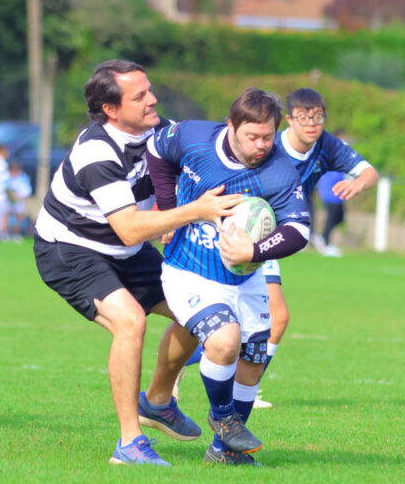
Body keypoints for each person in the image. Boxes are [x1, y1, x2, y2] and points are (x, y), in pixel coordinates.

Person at [33, 60, 243, 466]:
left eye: (150, 90)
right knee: (131, 322)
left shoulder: (159, 129)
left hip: (125, 250)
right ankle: (130, 445)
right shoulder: (97, 151)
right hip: (70, 248)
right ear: (111, 110)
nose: (153, 100)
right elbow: (129, 228)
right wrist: (193, 211)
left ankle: (159, 401)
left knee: (196, 310)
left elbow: (203, 153)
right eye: (140, 96)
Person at [146, 87, 312, 466]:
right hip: (189, 271)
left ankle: (223, 453)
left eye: (268, 137)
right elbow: (157, 151)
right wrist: (171, 212)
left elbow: (300, 230)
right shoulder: (193, 137)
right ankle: (222, 418)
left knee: (253, 362)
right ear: (231, 126)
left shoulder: (279, 170)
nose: (261, 145)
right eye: (252, 136)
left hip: (247, 278)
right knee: (225, 340)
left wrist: (253, 251)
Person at [256, 88, 379, 407]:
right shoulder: (268, 145)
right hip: (248, 231)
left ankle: (239, 386)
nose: (311, 124)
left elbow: (370, 173)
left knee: (265, 322)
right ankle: (238, 387)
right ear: (289, 120)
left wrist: (357, 183)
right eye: (304, 117)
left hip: (275, 237)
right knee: (273, 319)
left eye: (318, 117)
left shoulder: (326, 146)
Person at [314, 170, 346, 257]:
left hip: (338, 197)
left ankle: (323, 238)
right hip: (331, 196)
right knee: (331, 220)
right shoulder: (329, 167)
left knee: (340, 218)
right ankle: (325, 242)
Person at [5, 161, 32, 241]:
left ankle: (16, 234)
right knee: (5, 215)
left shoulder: (23, 177)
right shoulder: (6, 176)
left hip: (18, 200)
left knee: (19, 217)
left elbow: (27, 189)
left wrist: (20, 195)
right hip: (7, 200)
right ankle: (5, 234)